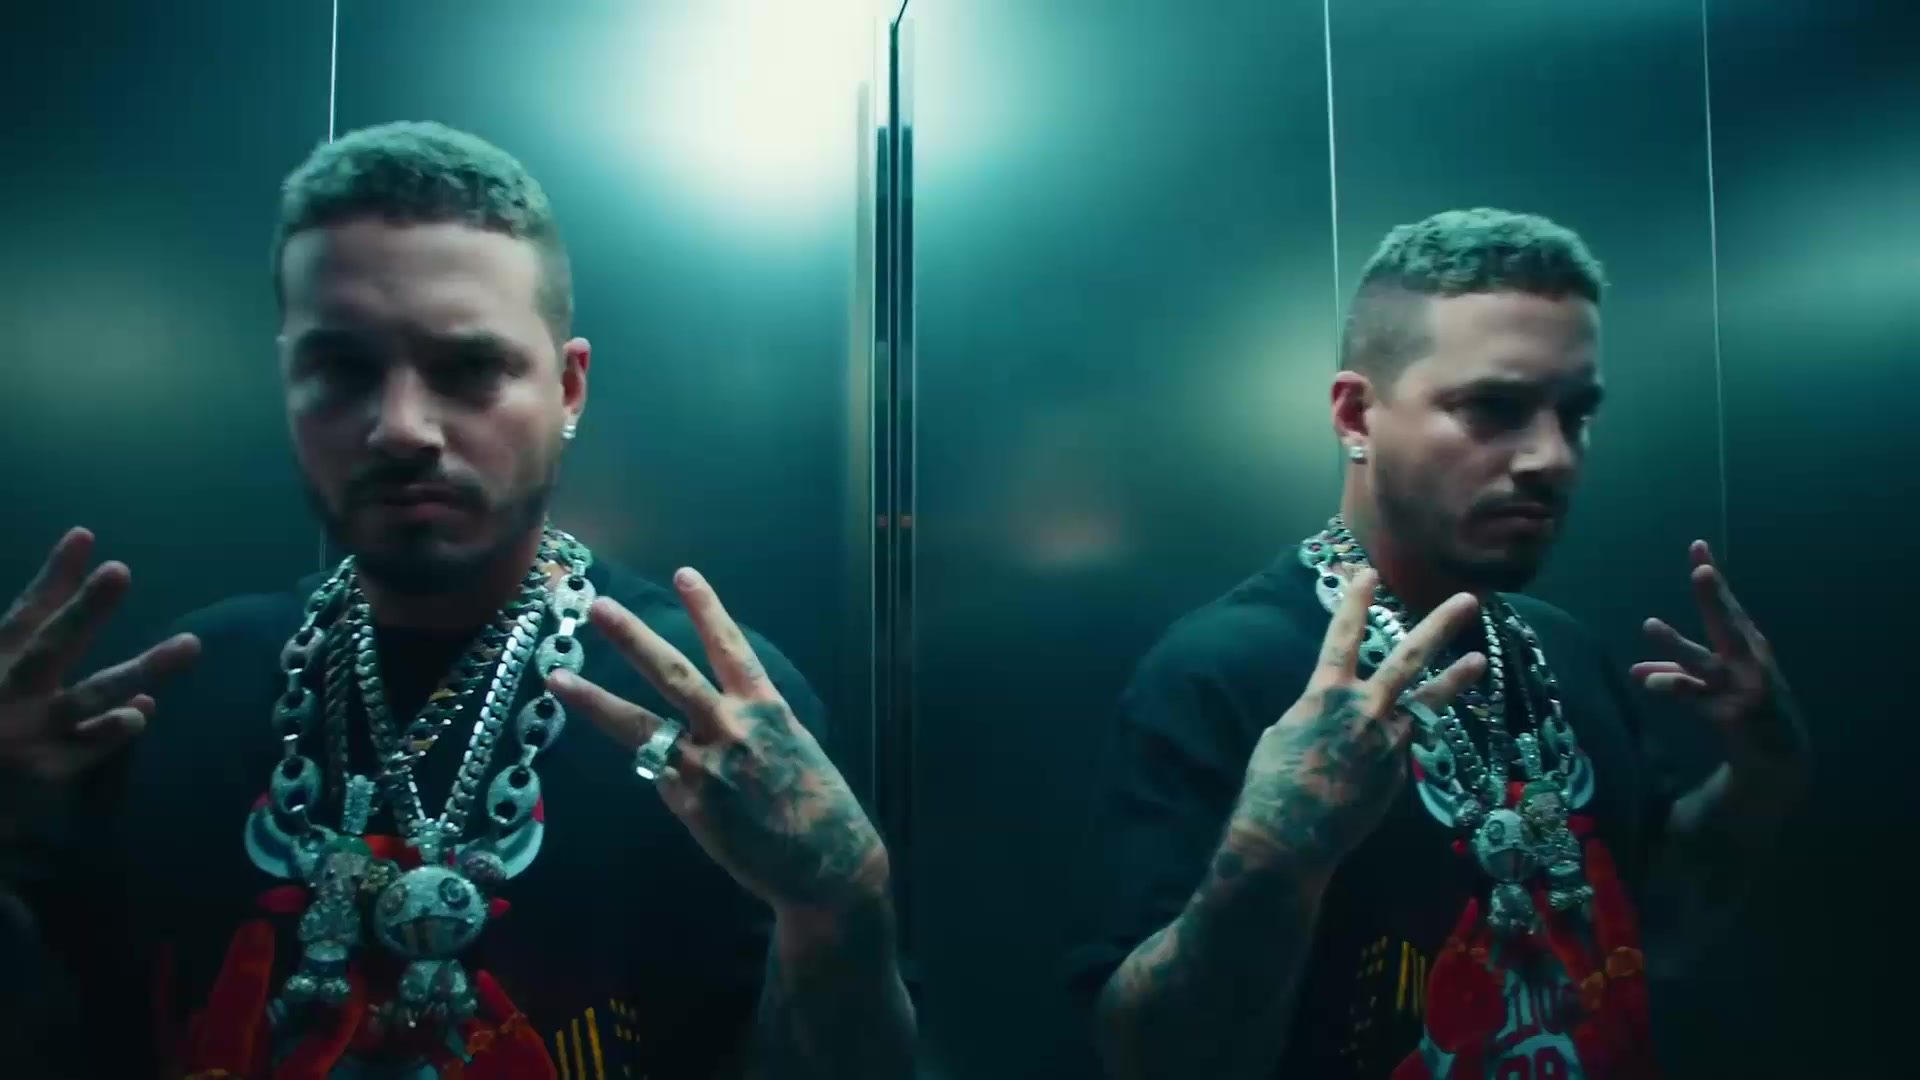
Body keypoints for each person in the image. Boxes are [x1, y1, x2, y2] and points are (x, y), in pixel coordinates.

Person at [0, 121, 914, 1079]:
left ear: (568, 388)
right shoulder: (176, 696)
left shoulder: (717, 724)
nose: (401, 429)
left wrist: (838, 910)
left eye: (470, 368)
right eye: (340, 369)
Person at [1070, 208, 1810, 1079]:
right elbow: (1145, 1058)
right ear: (1357, 416)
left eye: (1575, 414)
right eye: (1493, 408)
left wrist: (1762, 774)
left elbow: (1657, 931)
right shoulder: (1225, 671)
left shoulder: (1562, 652)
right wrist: (1279, 848)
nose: (1552, 458)